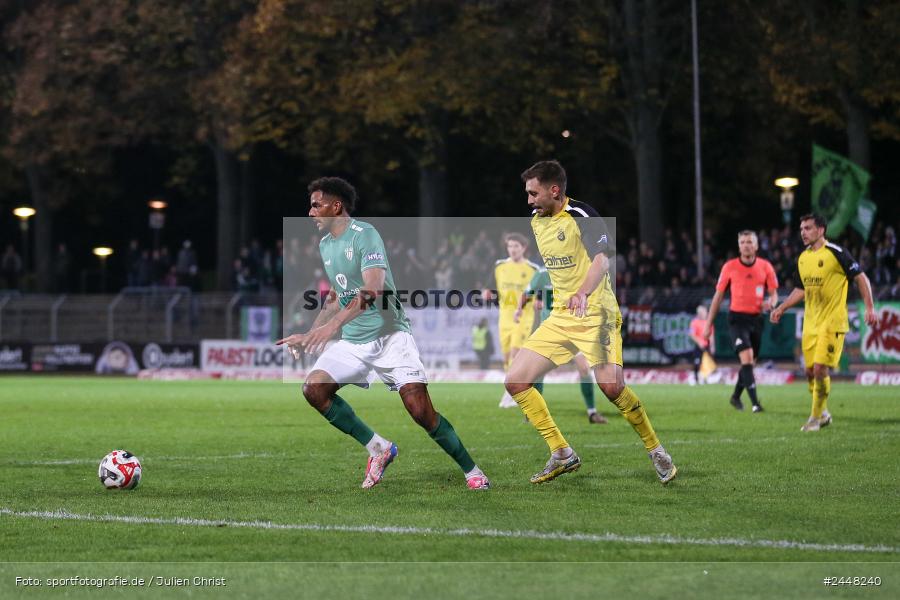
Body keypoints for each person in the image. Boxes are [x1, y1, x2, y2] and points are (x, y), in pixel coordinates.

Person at [277, 177, 489, 490]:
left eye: (316, 205)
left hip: (391, 336)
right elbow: (339, 293)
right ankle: (379, 448)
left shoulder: (365, 235)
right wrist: (312, 333)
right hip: (354, 340)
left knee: (421, 411)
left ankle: (473, 472)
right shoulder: (325, 244)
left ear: (336, 206)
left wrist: (331, 328)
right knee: (313, 389)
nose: (311, 212)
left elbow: (372, 289)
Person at [504, 160, 677, 485]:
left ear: (554, 190)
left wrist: (583, 292)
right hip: (562, 317)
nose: (529, 201)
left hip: (597, 312)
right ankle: (562, 454)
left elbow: (602, 259)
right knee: (515, 381)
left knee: (611, 387)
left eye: (533, 193)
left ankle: (657, 450)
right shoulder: (536, 221)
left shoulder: (582, 215)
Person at [770, 213, 877, 432]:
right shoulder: (803, 258)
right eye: (801, 229)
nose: (803, 232)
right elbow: (801, 289)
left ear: (821, 230)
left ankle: (815, 418)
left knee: (820, 368)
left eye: (807, 228)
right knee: (810, 372)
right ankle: (824, 413)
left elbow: (861, 278)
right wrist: (782, 307)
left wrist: (870, 307)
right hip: (811, 324)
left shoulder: (837, 253)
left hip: (832, 323)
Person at [515, 267, 608, 424]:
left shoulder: (575, 271)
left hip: (572, 331)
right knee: (537, 372)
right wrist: (519, 310)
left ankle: (592, 413)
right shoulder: (541, 275)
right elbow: (527, 293)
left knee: (584, 368)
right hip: (550, 331)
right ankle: (532, 413)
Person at [703, 230, 779, 412]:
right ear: (739, 246)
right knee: (746, 359)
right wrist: (708, 324)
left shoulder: (765, 266)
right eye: (743, 242)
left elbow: (774, 293)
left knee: (750, 363)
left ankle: (736, 397)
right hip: (737, 319)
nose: (746, 245)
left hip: (757, 319)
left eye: (749, 242)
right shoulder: (729, 267)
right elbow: (718, 297)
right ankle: (755, 404)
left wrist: (772, 303)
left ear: (756, 246)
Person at [486, 233, 541, 408]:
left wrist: (540, 300)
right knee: (506, 356)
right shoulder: (499, 266)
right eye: (510, 246)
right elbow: (491, 287)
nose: (513, 249)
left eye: (516, 246)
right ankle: (515, 387)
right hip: (504, 317)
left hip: (524, 317)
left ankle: (511, 392)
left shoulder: (533, 269)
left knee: (516, 354)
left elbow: (541, 288)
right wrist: (487, 292)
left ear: (524, 248)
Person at [689, 305, 715, 384]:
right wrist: (699, 342)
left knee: (708, 362)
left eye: (705, 312)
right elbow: (692, 334)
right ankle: (696, 379)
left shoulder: (709, 322)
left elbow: (711, 335)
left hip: (707, 346)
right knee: (697, 362)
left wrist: (712, 345)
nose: (705, 313)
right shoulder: (694, 322)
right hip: (699, 346)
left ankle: (707, 378)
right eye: (703, 312)